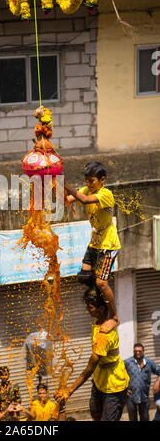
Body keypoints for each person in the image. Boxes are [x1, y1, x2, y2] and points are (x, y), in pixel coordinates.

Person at [54, 287, 129, 421]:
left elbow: (88, 370)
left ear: (100, 309)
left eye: (90, 307)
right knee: (95, 413)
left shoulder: (104, 336)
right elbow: (103, 287)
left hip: (113, 385)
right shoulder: (103, 319)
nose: (87, 310)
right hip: (100, 379)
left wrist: (69, 391)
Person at [64, 161, 120, 333]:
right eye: (86, 180)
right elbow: (66, 200)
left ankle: (114, 316)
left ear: (102, 179)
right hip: (94, 243)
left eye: (91, 181)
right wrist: (53, 183)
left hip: (108, 245)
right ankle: (100, 305)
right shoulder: (87, 189)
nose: (88, 184)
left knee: (101, 283)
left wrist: (64, 183)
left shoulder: (105, 194)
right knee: (84, 277)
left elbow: (84, 200)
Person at [124, 343, 160, 421]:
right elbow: (118, 374)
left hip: (144, 396)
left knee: (145, 418)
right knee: (133, 419)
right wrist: (124, 389)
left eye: (139, 351)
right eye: (135, 351)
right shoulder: (127, 362)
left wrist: (157, 383)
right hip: (131, 397)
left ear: (143, 352)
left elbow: (159, 371)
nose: (137, 353)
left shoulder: (149, 363)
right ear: (133, 352)